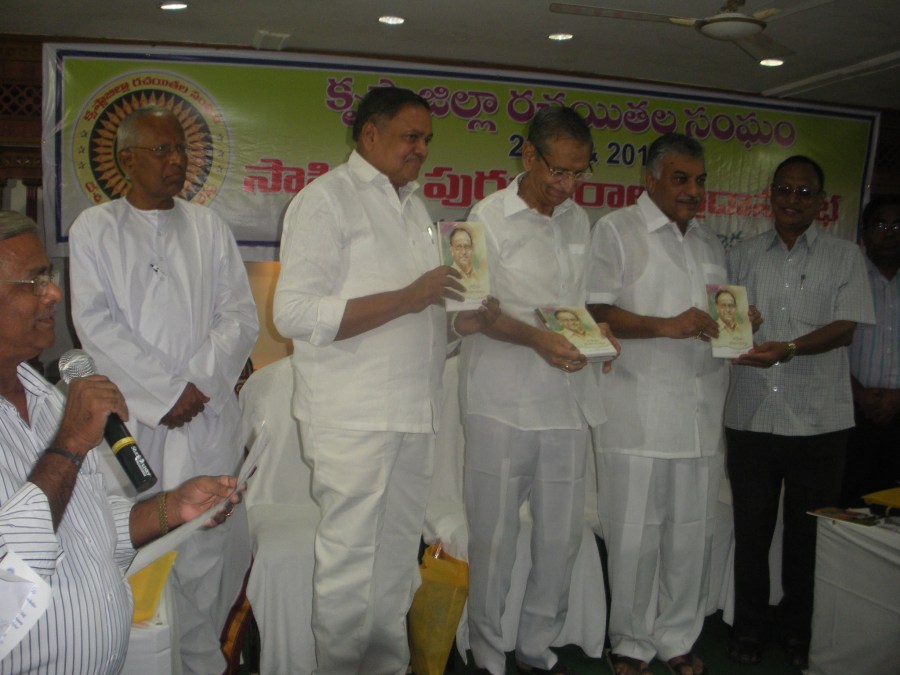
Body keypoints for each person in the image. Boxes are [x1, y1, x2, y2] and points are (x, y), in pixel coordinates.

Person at [272, 86, 497, 674]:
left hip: (413, 412)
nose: (421, 149)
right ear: (369, 135)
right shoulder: (326, 200)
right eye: (410, 137)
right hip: (351, 417)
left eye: (427, 140)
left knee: (396, 562)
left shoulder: (416, 210)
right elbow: (292, 313)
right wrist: (409, 296)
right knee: (348, 563)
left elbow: (418, 324)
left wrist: (462, 325)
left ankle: (387, 667)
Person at [0, 210, 242, 675]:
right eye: (34, 282)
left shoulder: (47, 402)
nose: (54, 294)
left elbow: (88, 528)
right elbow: (10, 564)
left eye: (49, 277)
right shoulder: (69, 421)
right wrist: (71, 443)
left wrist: (173, 507)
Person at [67, 105, 259, 674]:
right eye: (161, 150)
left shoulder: (208, 227)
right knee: (139, 552)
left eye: (181, 149)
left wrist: (195, 385)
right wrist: (165, 394)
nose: (176, 160)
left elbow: (239, 316)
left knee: (204, 554)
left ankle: (202, 666)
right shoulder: (95, 228)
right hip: (134, 426)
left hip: (204, 420)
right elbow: (95, 324)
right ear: (126, 159)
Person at [461, 106, 617, 675]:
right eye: (558, 171)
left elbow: (574, 305)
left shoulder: (578, 220)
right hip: (501, 402)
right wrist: (535, 338)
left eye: (579, 173)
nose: (567, 185)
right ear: (528, 157)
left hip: (567, 400)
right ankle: (487, 654)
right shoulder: (485, 218)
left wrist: (598, 333)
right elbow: (469, 312)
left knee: (560, 538)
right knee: (495, 537)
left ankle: (535, 648)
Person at [724, 156, 875, 669]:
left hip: (818, 421)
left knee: (807, 535)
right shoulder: (741, 255)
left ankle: (796, 629)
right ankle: (748, 628)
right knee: (751, 531)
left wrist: (787, 348)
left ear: (820, 202)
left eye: (804, 192)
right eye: (784, 189)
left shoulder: (845, 256)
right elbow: (727, 323)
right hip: (750, 416)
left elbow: (846, 328)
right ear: (770, 193)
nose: (793, 200)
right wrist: (740, 324)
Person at [588, 132, 728, 675]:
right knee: (633, 538)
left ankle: (677, 638)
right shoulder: (616, 230)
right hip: (637, 414)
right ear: (650, 180)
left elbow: (714, 319)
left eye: (699, 181)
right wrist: (665, 326)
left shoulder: (710, 242)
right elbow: (595, 310)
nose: (693, 191)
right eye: (680, 179)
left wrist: (737, 324)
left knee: (692, 534)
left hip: (700, 413)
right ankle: (630, 642)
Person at [842, 194, 900, 505]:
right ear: (864, 233)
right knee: (850, 507)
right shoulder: (846, 280)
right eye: (880, 225)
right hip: (851, 413)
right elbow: (831, 344)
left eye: (897, 225)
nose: (889, 233)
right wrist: (860, 394)